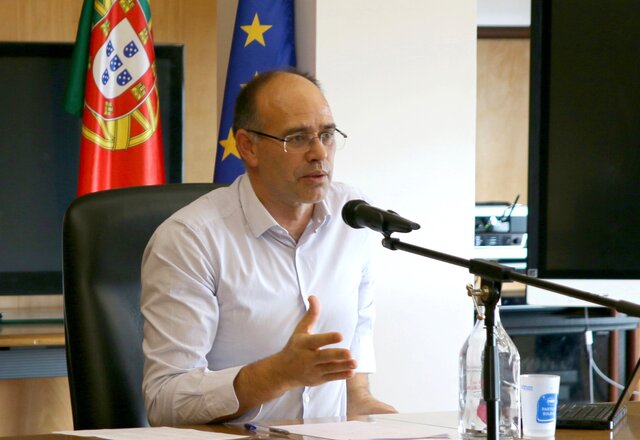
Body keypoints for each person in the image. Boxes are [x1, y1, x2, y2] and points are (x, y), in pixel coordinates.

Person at [141, 69, 396, 426]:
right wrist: (278, 374)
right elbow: (166, 401)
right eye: (297, 138)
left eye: (327, 135)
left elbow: (359, 330)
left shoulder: (351, 215)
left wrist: (361, 399)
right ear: (248, 147)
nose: (319, 153)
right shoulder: (190, 239)